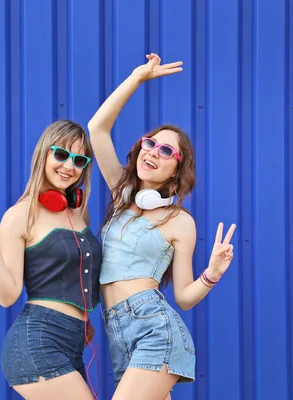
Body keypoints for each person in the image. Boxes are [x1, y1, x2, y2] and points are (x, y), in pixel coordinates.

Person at [87, 53, 237, 400]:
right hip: (119, 335)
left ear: (176, 171)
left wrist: (212, 273)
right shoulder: (121, 195)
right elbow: (97, 128)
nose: (152, 152)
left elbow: (184, 298)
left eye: (166, 151)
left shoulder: (180, 222)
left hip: (157, 332)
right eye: (150, 143)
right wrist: (137, 79)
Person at [0, 120, 102, 400]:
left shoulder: (78, 212)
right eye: (61, 154)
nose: (69, 166)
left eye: (79, 159)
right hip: (38, 340)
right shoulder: (20, 215)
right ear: (43, 153)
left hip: (74, 343)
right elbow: (8, 296)